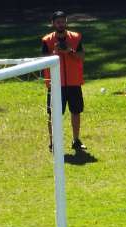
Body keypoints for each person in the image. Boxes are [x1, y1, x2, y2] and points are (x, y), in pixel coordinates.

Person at [41, 10, 87, 152]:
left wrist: (70, 51)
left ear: (66, 22)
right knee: (53, 114)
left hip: (73, 82)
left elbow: (82, 56)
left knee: (76, 111)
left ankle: (76, 139)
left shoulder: (75, 37)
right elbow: (42, 61)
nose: (61, 24)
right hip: (55, 84)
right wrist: (54, 53)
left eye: (63, 21)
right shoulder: (47, 40)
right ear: (53, 23)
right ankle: (53, 142)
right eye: (58, 22)